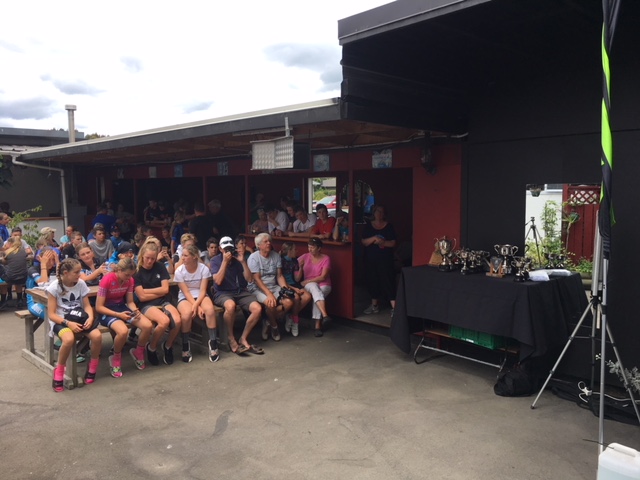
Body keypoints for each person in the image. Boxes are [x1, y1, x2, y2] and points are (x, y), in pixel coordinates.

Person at [46, 258, 102, 391]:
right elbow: (51, 314)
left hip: (79, 317)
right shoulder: (54, 287)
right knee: (68, 339)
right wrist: (68, 323)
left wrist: (90, 317)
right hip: (61, 320)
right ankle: (59, 370)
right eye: (76, 272)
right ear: (66, 273)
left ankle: (92, 365)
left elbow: (87, 306)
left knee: (97, 336)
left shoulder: (81, 283)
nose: (79, 274)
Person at [95, 258, 153, 377]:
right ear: (119, 270)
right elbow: (99, 307)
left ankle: (138, 352)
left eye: (131, 275)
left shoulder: (130, 280)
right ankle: (115, 357)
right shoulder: (107, 279)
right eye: (127, 275)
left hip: (121, 307)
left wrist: (135, 311)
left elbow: (130, 302)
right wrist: (118, 315)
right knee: (122, 331)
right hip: (107, 310)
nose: (129, 278)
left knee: (147, 326)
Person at [210, 236, 264, 355]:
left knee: (257, 308)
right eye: (226, 249)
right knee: (230, 306)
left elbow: (249, 279)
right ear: (220, 249)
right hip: (222, 292)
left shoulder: (237, 259)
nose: (228, 252)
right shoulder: (215, 261)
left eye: (230, 249)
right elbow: (218, 281)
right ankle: (231, 338)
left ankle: (243, 338)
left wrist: (243, 261)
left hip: (239, 291)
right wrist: (225, 262)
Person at [133, 242, 182, 366]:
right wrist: (158, 292)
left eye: (153, 258)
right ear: (142, 255)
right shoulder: (137, 271)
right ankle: (152, 347)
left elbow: (165, 289)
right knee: (164, 321)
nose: (150, 261)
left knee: (177, 320)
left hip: (163, 300)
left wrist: (146, 291)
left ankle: (168, 345)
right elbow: (141, 297)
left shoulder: (159, 266)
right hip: (146, 304)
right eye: (147, 258)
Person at [248, 233, 299, 342]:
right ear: (258, 245)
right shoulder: (253, 258)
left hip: (273, 286)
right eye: (265, 241)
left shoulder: (275, 256)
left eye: (269, 241)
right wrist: (269, 294)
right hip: (257, 288)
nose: (269, 243)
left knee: (289, 302)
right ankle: (274, 327)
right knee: (271, 303)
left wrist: (285, 289)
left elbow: (279, 276)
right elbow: (257, 279)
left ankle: (267, 321)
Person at [174, 244, 218, 363]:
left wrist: (197, 304)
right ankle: (185, 344)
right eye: (182, 255)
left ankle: (213, 342)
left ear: (194, 257)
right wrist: (196, 306)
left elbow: (203, 290)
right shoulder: (179, 271)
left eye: (185, 255)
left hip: (200, 295)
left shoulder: (203, 269)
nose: (183, 258)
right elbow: (186, 292)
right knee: (187, 314)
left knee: (210, 311)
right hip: (185, 297)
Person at [361, 204, 397, 316]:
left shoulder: (389, 226)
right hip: (371, 260)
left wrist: (382, 242)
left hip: (385, 260)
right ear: (374, 213)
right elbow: (364, 242)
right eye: (378, 211)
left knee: (388, 281)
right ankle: (374, 306)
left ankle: (395, 308)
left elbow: (393, 243)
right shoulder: (368, 226)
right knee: (373, 281)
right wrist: (374, 238)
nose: (380, 214)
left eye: (382, 212)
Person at [296, 238, 332, 337]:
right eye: (309, 247)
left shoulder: (326, 258)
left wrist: (307, 281)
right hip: (310, 285)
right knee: (314, 288)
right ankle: (320, 322)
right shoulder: (305, 256)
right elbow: (294, 265)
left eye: (312, 247)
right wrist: (300, 268)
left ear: (319, 248)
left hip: (323, 284)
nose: (310, 249)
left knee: (318, 293)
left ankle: (321, 321)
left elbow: (323, 277)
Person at [279, 242, 312, 337]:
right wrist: (294, 289)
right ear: (289, 251)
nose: (297, 251)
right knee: (296, 297)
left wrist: (301, 267)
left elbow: (297, 279)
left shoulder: (294, 260)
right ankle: (295, 322)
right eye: (295, 249)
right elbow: (280, 279)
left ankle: (290, 316)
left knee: (307, 296)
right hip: (285, 285)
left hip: (294, 283)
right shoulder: (281, 261)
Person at [0, 236, 29, 308]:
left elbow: (4, 263)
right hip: (23, 277)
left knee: (3, 278)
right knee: (18, 281)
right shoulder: (23, 251)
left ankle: (3, 301)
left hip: (11, 277)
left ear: (10, 243)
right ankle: (19, 300)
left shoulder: (7, 252)